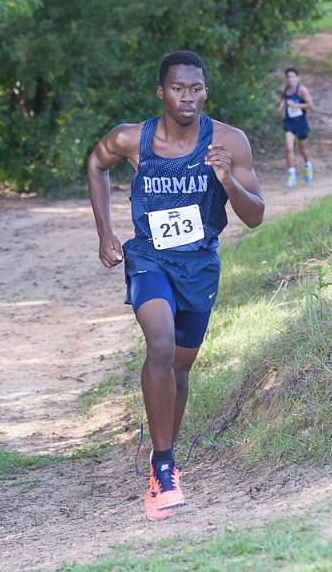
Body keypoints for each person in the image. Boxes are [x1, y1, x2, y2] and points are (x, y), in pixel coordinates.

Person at [86, 50, 265, 522]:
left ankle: (162, 454)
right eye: (178, 88)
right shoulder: (132, 138)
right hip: (149, 258)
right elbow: (96, 163)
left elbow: (255, 216)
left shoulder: (229, 141)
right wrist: (105, 230)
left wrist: (226, 179)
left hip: (199, 266)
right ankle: (164, 470)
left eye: (196, 88)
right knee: (160, 346)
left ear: (205, 91)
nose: (187, 97)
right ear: (161, 92)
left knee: (180, 368)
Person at [277, 67, 314, 188]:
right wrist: (281, 106)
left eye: (292, 76)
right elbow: (282, 98)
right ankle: (292, 175)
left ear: (298, 78)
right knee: (288, 148)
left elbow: (310, 104)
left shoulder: (302, 90)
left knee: (302, 149)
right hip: (289, 123)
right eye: (288, 77)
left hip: (301, 123)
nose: (290, 79)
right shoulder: (285, 89)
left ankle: (308, 165)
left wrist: (296, 105)